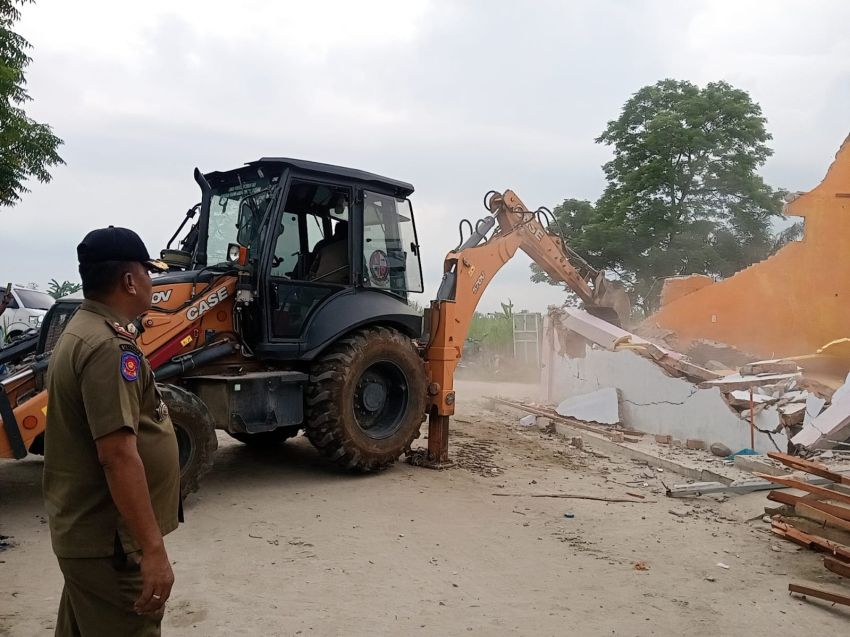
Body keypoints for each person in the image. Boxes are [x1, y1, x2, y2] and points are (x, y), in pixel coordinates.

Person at [43, 226, 180, 637]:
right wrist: (152, 550)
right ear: (128, 280)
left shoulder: (86, 330)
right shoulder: (107, 347)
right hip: (111, 545)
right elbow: (117, 455)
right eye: (148, 272)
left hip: (92, 537)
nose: (152, 281)